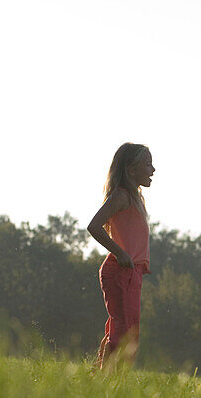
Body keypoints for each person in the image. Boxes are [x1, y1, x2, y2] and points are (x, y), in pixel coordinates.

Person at [87, 142, 155, 369]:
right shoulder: (121, 197)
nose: (153, 170)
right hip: (120, 270)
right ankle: (110, 379)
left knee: (127, 328)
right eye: (148, 164)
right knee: (125, 330)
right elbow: (94, 226)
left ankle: (106, 378)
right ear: (131, 168)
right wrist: (121, 253)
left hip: (132, 272)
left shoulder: (135, 199)